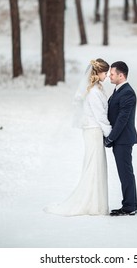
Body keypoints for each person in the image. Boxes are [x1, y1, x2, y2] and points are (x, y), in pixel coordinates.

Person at [45, 58, 111, 216]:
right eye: (105, 72)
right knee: (93, 166)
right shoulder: (94, 92)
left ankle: (96, 203)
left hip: (94, 131)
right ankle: (91, 203)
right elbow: (100, 116)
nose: (107, 76)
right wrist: (110, 133)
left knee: (97, 165)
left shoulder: (96, 88)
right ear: (98, 72)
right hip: (94, 131)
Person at [104, 61, 137, 216]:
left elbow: (122, 120)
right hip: (119, 139)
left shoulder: (128, 93)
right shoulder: (118, 90)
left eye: (112, 74)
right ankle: (128, 204)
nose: (109, 76)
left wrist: (111, 138)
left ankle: (130, 207)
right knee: (123, 173)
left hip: (123, 140)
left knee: (126, 173)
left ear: (121, 75)